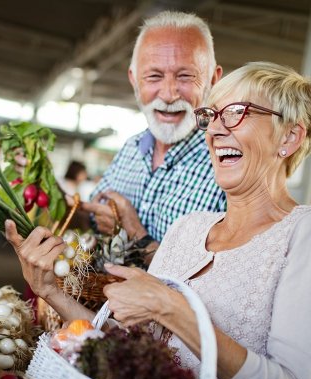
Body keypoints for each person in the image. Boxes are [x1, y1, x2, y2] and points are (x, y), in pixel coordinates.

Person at [5, 62, 311, 379]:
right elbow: (130, 351)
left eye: (236, 113)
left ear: (290, 138)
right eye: (211, 115)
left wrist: (172, 308)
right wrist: (51, 292)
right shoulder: (186, 229)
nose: (215, 129)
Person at [80, 11, 226, 259]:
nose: (169, 94)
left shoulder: (227, 163)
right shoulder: (131, 147)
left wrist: (134, 231)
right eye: (154, 76)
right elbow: (92, 222)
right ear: (134, 80)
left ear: (213, 79)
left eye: (185, 76)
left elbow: (216, 279)